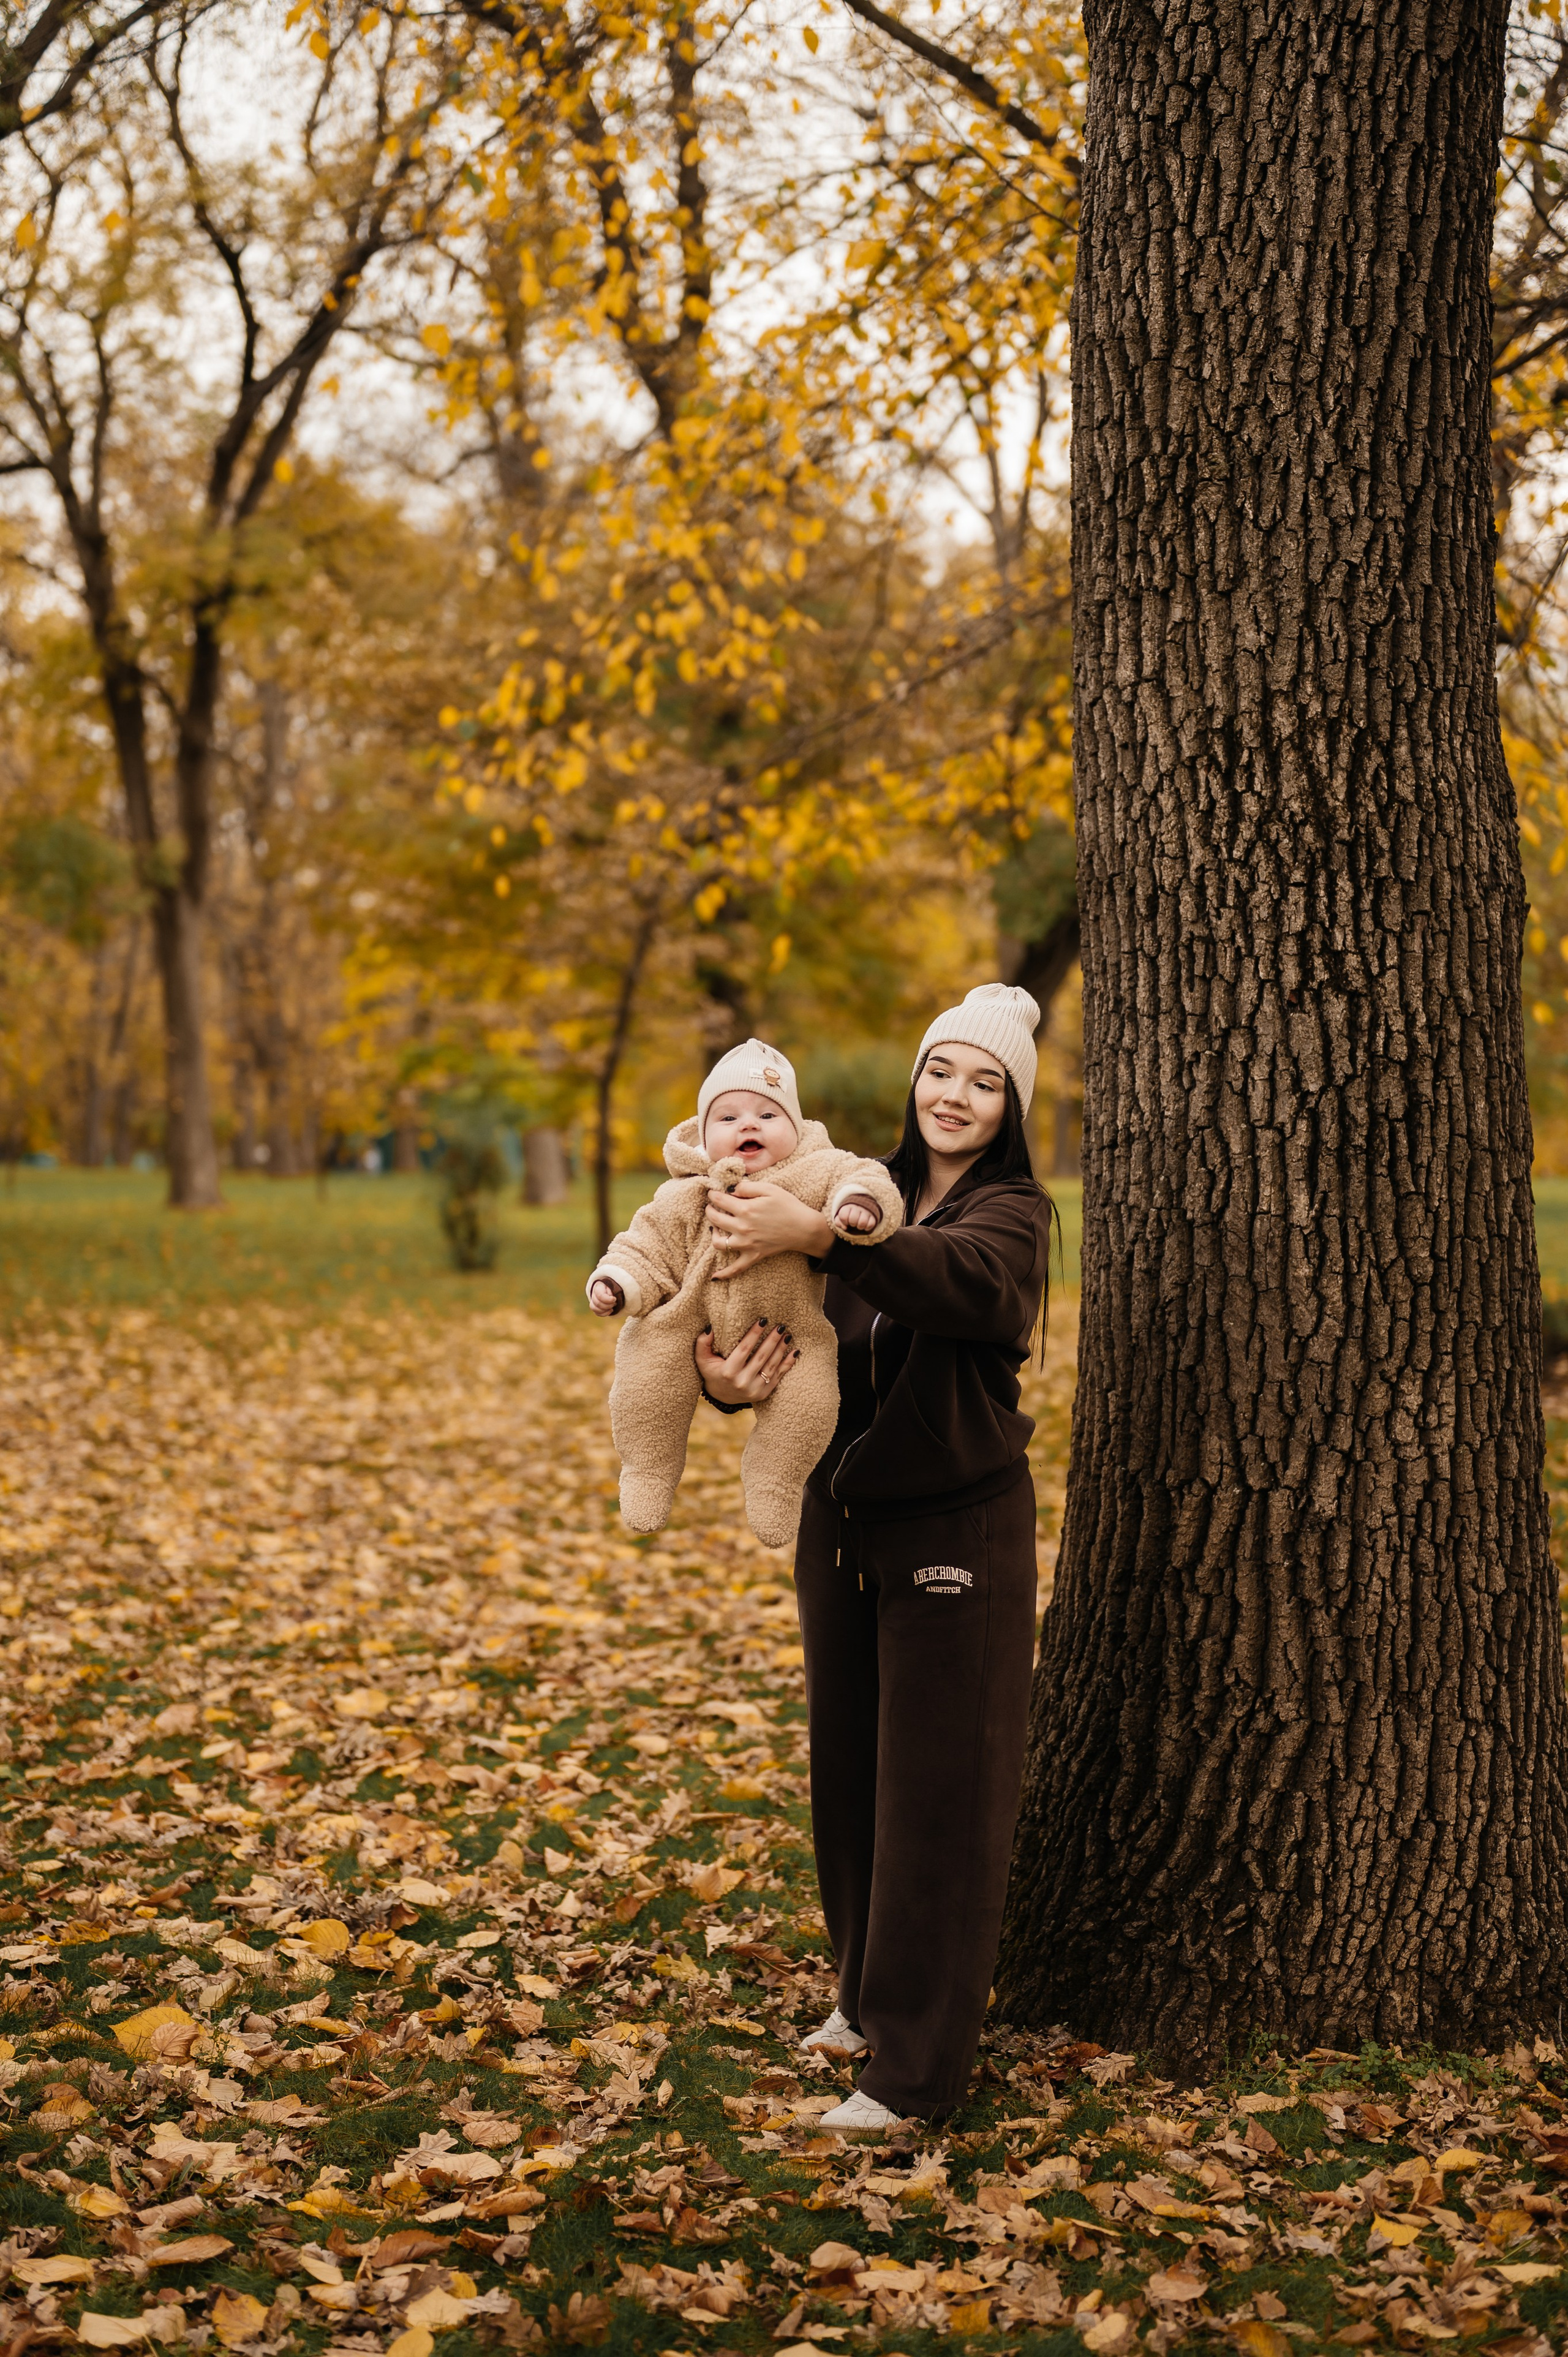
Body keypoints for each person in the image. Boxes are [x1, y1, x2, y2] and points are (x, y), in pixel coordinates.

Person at [698, 983, 1052, 2131]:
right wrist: (719, 1378)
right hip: (838, 1520)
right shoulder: (863, 1185)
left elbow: (957, 1287)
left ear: (1011, 1104)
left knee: (938, 1795)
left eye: (985, 1080)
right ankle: (861, 1996)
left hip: (958, 1526)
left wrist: (828, 1238)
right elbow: (771, 1325)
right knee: (852, 1771)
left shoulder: (1011, 1215)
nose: (955, 1095)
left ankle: (912, 2075)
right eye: (942, 1070)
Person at [586, 1040, 903, 1548]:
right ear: (703, 1135)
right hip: (688, 1321)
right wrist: (617, 1283)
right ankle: (647, 1470)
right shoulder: (684, 1194)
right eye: (728, 1117)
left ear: (796, 1129)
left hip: (791, 1331)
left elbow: (864, 1176)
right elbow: (646, 1247)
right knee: (647, 1379)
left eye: (767, 1114)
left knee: (810, 1405)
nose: (747, 1125)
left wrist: (858, 1205)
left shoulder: (813, 1173)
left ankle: (775, 1484)